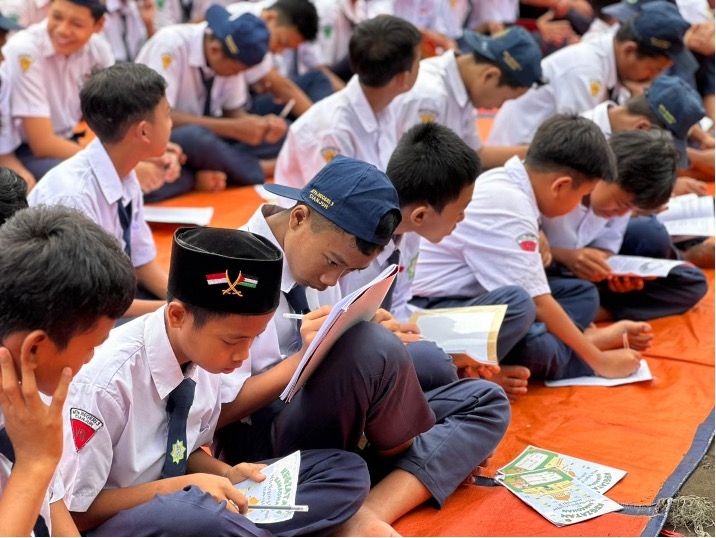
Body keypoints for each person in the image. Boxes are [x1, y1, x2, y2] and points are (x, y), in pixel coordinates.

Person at [216, 155, 511, 532]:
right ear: (299, 217)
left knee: (478, 394)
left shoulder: (315, 252)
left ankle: (368, 508)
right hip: (262, 442)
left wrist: (365, 321)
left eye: (349, 271)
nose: (331, 279)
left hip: (325, 414)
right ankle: (415, 459)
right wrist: (307, 357)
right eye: (332, 262)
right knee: (375, 350)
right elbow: (216, 413)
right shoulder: (237, 275)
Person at [59, 225, 375, 536]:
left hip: (189, 505)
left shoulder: (206, 358)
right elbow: (76, 512)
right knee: (196, 515)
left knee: (344, 471)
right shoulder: (106, 383)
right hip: (121, 522)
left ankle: (239, 529)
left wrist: (227, 474)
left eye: (254, 339)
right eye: (232, 341)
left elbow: (182, 451)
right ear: (177, 316)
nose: (242, 355)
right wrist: (182, 488)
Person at [411, 115, 647, 389]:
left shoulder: (512, 184)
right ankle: (474, 371)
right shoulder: (508, 202)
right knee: (524, 311)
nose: (581, 204)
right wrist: (599, 361)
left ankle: (553, 340)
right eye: (583, 194)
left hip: (472, 296)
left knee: (581, 294)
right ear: (561, 186)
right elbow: (537, 302)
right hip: (429, 307)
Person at [338, 122, 532, 394]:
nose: (462, 218)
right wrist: (428, 349)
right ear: (420, 215)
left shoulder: (410, 232)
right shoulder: (355, 247)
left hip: (396, 331)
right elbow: (342, 331)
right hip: (358, 352)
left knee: (518, 304)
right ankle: (453, 380)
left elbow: (400, 304)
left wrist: (432, 339)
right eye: (460, 210)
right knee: (436, 363)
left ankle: (456, 375)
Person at [0, 205, 135, 536]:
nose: (91, 358)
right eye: (91, 346)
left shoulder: (32, 393)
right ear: (34, 349)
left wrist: (40, 463)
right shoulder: (35, 428)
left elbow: (54, 509)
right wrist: (34, 464)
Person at [28, 63, 171, 320]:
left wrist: (181, 300)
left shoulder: (126, 174)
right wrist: (173, 311)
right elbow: (87, 304)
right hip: (66, 316)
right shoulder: (72, 196)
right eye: (167, 115)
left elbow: (141, 261)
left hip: (108, 298)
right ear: (143, 131)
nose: (171, 124)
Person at [543, 129, 707, 321]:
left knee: (690, 278)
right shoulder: (556, 187)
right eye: (621, 203)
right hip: (541, 271)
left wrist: (608, 271)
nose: (622, 214)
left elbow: (607, 245)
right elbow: (523, 251)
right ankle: (574, 315)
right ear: (604, 173)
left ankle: (582, 312)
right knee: (580, 294)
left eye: (631, 209)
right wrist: (565, 256)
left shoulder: (616, 202)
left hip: (576, 271)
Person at [487, 1, 696, 145]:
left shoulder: (613, 58)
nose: (653, 77)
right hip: (516, 161)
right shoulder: (585, 71)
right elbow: (582, 148)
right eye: (655, 69)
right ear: (629, 51)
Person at [135, 4, 292, 196]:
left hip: (207, 139)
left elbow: (232, 111)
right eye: (234, 70)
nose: (236, 75)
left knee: (284, 133)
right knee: (196, 137)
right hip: (163, 135)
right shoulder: (170, 45)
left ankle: (211, 170)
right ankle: (257, 168)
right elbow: (158, 119)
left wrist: (260, 126)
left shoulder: (230, 56)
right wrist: (233, 128)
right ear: (215, 50)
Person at [272, 14, 422, 190]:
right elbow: (330, 202)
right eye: (418, 60)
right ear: (403, 78)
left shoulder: (388, 106)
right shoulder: (331, 129)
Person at [396, 26, 546, 170]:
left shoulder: (463, 86)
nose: (499, 107)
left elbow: (475, 153)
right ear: (490, 76)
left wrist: (542, 154)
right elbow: (413, 170)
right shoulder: (430, 97)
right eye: (504, 99)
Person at [0, 0, 112, 179]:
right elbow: (42, 144)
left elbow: (111, 112)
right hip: (29, 150)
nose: (63, 30)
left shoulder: (98, 50)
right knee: (91, 178)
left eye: (77, 24)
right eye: (57, 17)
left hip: (69, 140)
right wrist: (110, 164)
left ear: (98, 25)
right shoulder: (24, 51)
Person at [225, 0, 334, 118]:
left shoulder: (269, 30)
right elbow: (284, 88)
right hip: (236, 109)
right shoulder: (243, 24)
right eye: (282, 43)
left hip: (246, 100)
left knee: (317, 80)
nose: (279, 52)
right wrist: (321, 124)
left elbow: (280, 86)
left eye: (288, 48)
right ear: (270, 17)